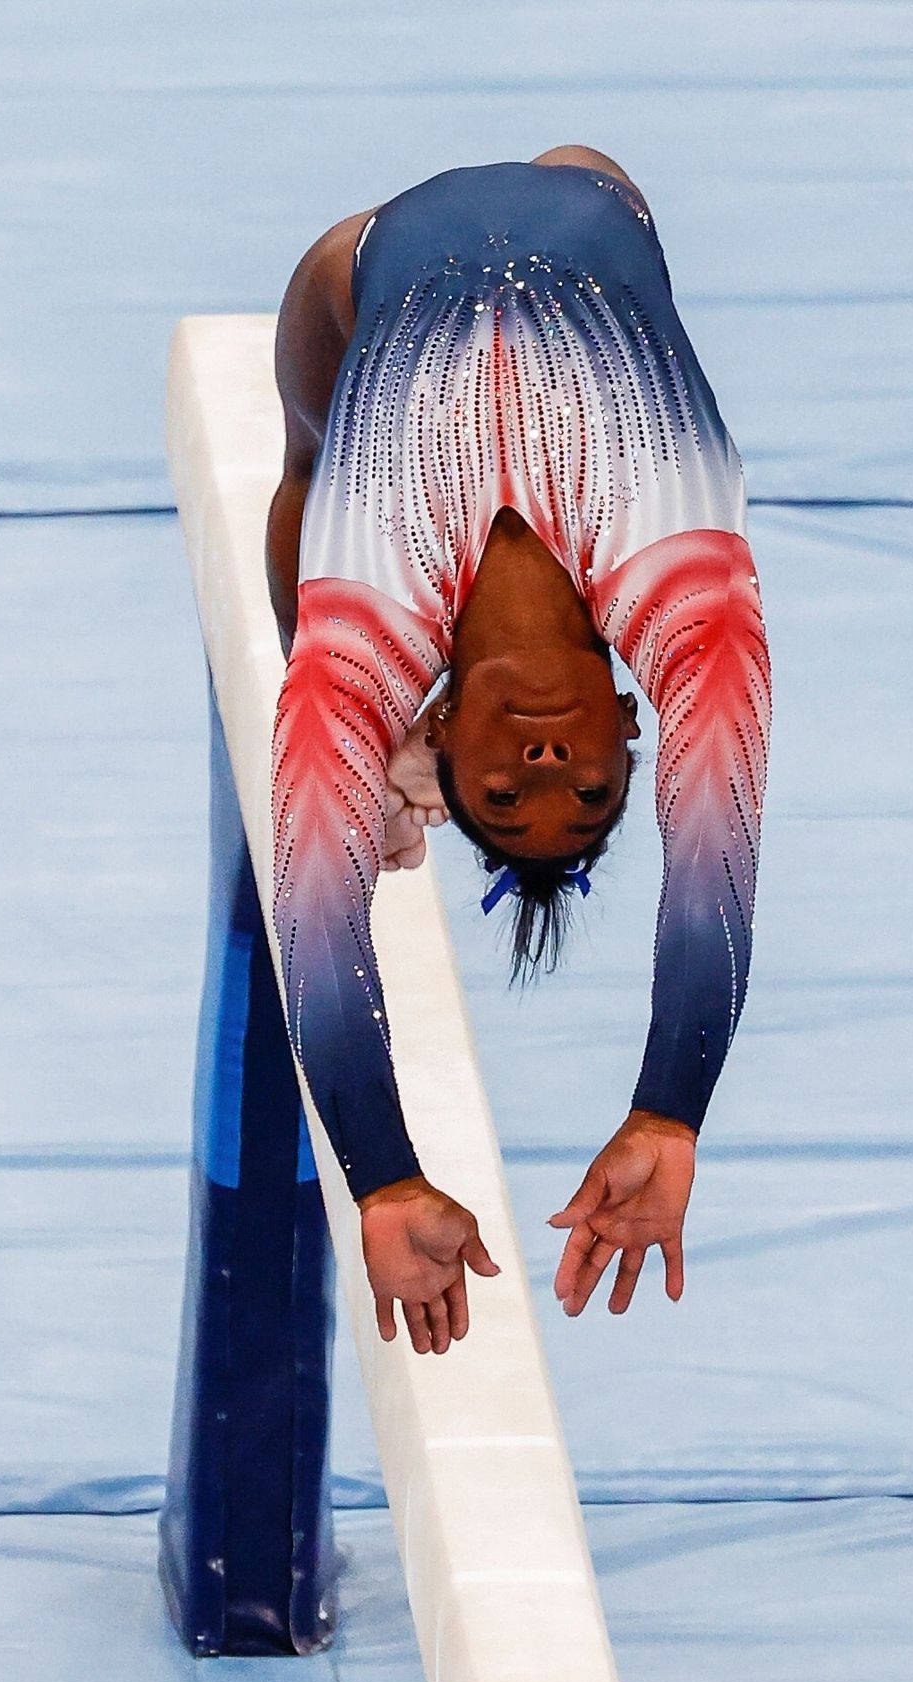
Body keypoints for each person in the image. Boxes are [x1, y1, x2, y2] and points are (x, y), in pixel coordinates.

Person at [267, 148, 770, 1356]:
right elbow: (713, 877)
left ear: (447, 737)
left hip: (364, 271)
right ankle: (361, 762)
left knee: (308, 482)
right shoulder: (691, 605)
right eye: (590, 793)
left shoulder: (370, 612)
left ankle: (355, 752)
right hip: (598, 211)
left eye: (505, 793)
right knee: (583, 171)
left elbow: (320, 932)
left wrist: (384, 1177)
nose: (549, 774)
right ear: (634, 720)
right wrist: (667, 1112)